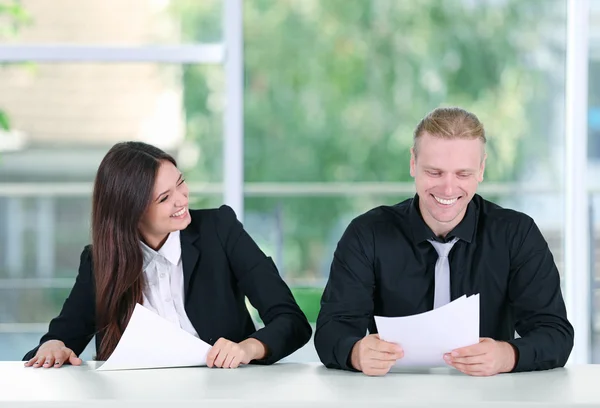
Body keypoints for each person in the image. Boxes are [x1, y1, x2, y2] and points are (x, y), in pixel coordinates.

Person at [314, 107, 574, 377]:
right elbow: (332, 330)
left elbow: (555, 333)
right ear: (413, 163)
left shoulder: (516, 234)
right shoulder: (367, 234)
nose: (448, 189)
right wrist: (356, 353)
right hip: (391, 394)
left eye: (463, 174)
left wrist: (507, 355)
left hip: (488, 395)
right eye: (435, 172)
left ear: (481, 168)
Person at [24, 141, 311, 369]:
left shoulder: (219, 231)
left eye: (181, 182)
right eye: (164, 198)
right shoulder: (100, 261)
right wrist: (53, 346)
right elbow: (61, 338)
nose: (182, 199)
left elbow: (292, 321)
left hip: (225, 396)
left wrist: (248, 348)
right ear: (131, 213)